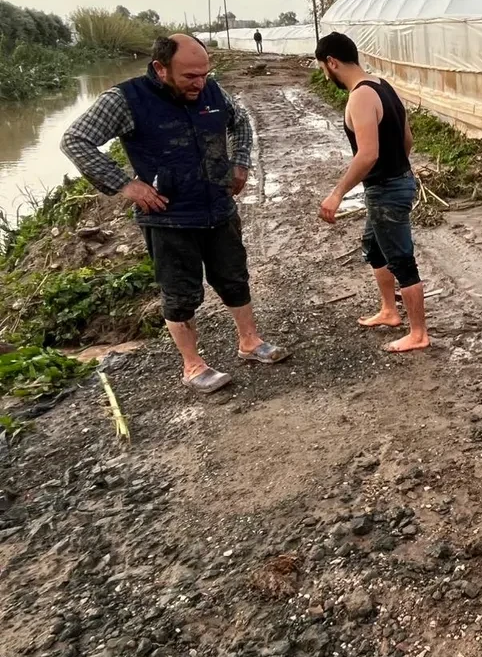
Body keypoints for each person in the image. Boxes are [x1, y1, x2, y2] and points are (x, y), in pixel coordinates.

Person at [60, 34, 289, 392]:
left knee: (234, 277)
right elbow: (76, 139)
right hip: (169, 217)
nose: (200, 83)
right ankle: (193, 366)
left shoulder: (211, 91)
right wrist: (126, 184)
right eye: (190, 77)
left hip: (218, 206)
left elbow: (240, 121)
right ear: (160, 68)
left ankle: (250, 342)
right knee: (180, 292)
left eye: (204, 74)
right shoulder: (126, 99)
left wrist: (240, 162)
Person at [314, 32, 430, 353]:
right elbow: (407, 138)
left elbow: (368, 154)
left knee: (401, 259)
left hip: (386, 189)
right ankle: (390, 311)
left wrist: (337, 193)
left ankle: (418, 333)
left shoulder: (361, 97)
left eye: (324, 68)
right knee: (374, 247)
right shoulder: (383, 85)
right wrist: (399, 170)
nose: (325, 75)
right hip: (396, 181)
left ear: (332, 62)